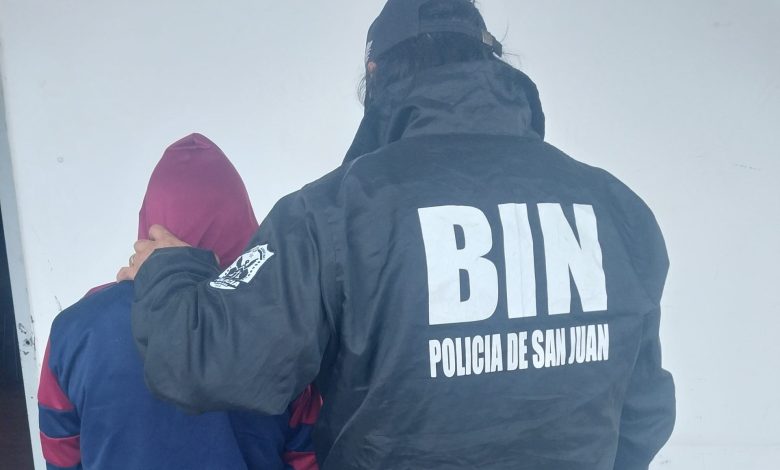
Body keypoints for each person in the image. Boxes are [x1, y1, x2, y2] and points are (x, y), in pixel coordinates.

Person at [120, 1, 675, 469]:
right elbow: (642, 413)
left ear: (375, 72)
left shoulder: (333, 213)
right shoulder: (617, 209)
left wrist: (167, 270)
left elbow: (206, 362)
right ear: (489, 57)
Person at [39, 133, 319, 470]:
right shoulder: (284, 323)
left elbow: (61, 455)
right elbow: (308, 457)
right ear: (242, 219)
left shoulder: (75, 329)